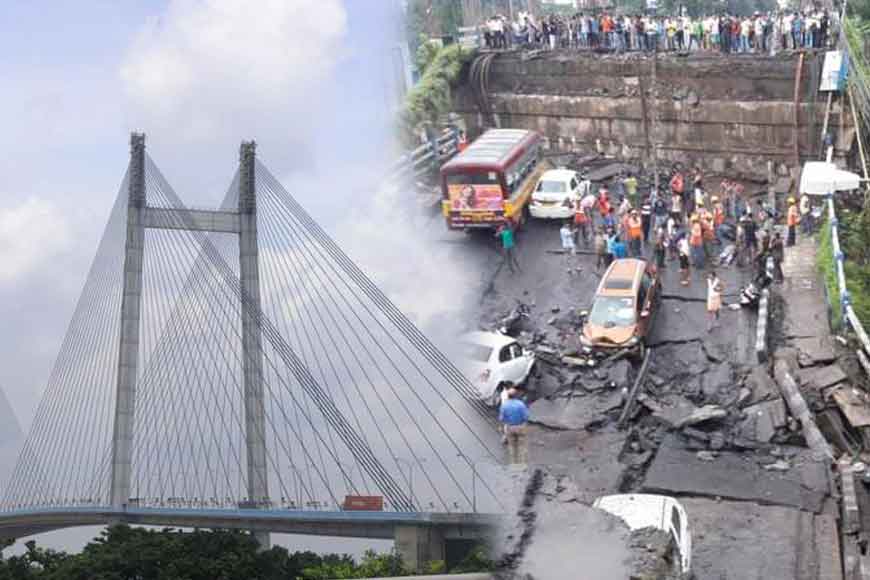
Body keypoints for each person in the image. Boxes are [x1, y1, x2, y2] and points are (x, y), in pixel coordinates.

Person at [499, 388, 529, 464]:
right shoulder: (521, 404)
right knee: (521, 446)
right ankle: (521, 464)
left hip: (510, 427)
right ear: (516, 396)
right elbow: (526, 417)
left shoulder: (504, 405)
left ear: (508, 396)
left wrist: (502, 427)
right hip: (520, 427)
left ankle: (513, 464)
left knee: (512, 446)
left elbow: (502, 418)